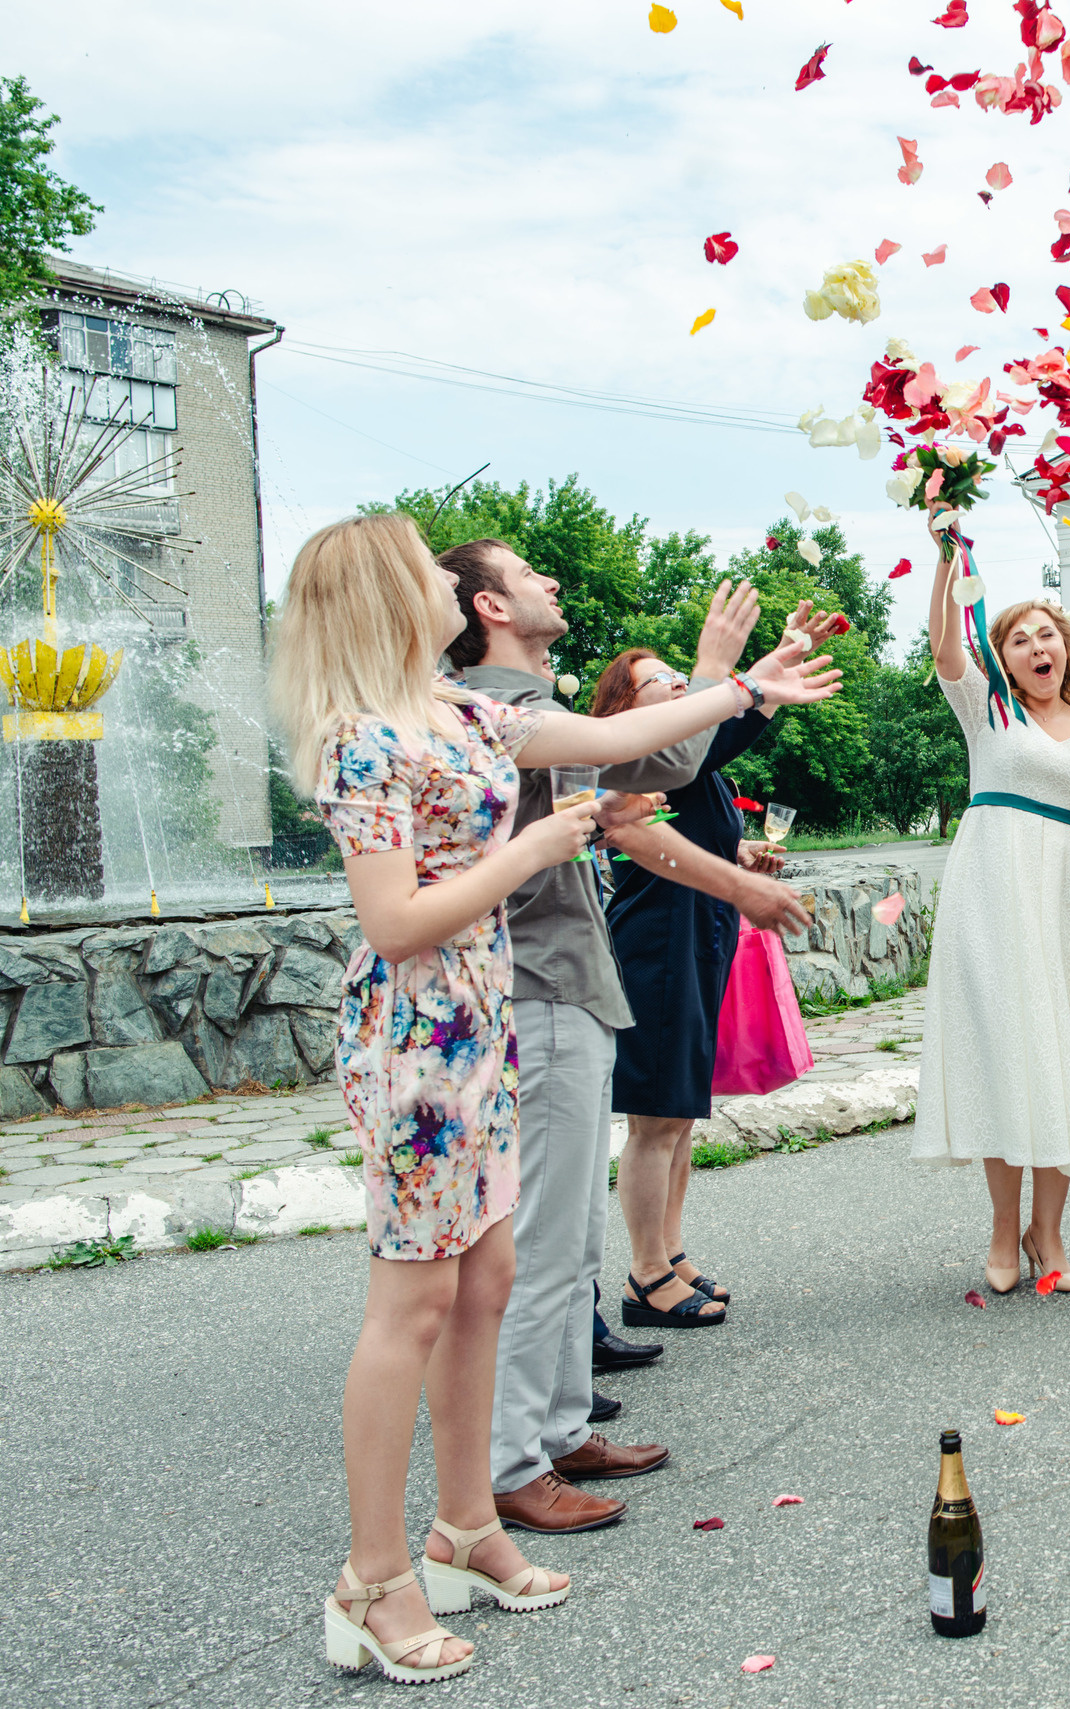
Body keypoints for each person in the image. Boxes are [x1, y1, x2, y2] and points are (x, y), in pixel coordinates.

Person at [269, 513, 834, 1683]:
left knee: (489, 1275)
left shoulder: (470, 712)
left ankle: (467, 1525)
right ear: (386, 594)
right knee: (410, 1308)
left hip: (483, 1022)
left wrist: (741, 690)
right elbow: (392, 923)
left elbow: (629, 730)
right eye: (428, 566)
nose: (447, 576)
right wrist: (530, 854)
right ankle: (372, 1579)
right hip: (417, 1039)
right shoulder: (356, 738)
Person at [446, 537, 836, 1539]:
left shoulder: (528, 705)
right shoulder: (497, 707)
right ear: (489, 604)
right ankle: (511, 1461)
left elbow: (656, 764)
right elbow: (652, 760)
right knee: (539, 1240)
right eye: (531, 572)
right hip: (533, 982)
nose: (554, 579)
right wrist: (728, 676)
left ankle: (562, 1424)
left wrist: (732, 686)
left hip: (567, 982)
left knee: (570, 1229)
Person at [910, 549, 1070, 1290]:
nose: (1037, 646)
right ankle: (1000, 1229)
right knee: (1005, 1052)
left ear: (1065, 648)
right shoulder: (987, 708)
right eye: (1019, 639)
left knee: (1063, 1054)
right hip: (991, 893)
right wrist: (948, 554)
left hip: (1068, 901)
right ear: (1005, 660)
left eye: (1047, 634)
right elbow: (943, 642)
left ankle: (1048, 1234)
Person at [592, 635, 822, 1329]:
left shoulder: (686, 759)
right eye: (657, 679)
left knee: (680, 1115)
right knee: (655, 1119)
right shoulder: (645, 753)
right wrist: (752, 686)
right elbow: (710, 746)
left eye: (673, 674)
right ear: (625, 706)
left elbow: (697, 809)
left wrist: (741, 848)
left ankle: (670, 1250)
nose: (673, 684)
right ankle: (645, 1272)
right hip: (657, 942)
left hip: (699, 934)